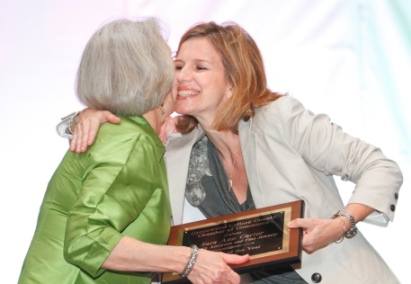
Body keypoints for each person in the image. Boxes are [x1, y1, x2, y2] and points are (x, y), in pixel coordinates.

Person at [62, 21, 403, 283]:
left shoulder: (281, 118)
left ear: (233, 80)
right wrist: (90, 112)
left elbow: (380, 167)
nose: (181, 77)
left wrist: (340, 224)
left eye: (200, 67)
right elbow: (107, 140)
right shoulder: (175, 143)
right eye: (178, 66)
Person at [19, 18, 249, 284]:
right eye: (172, 64)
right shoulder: (130, 140)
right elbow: (86, 239)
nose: (181, 76)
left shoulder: (129, 134)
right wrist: (189, 261)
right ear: (152, 75)